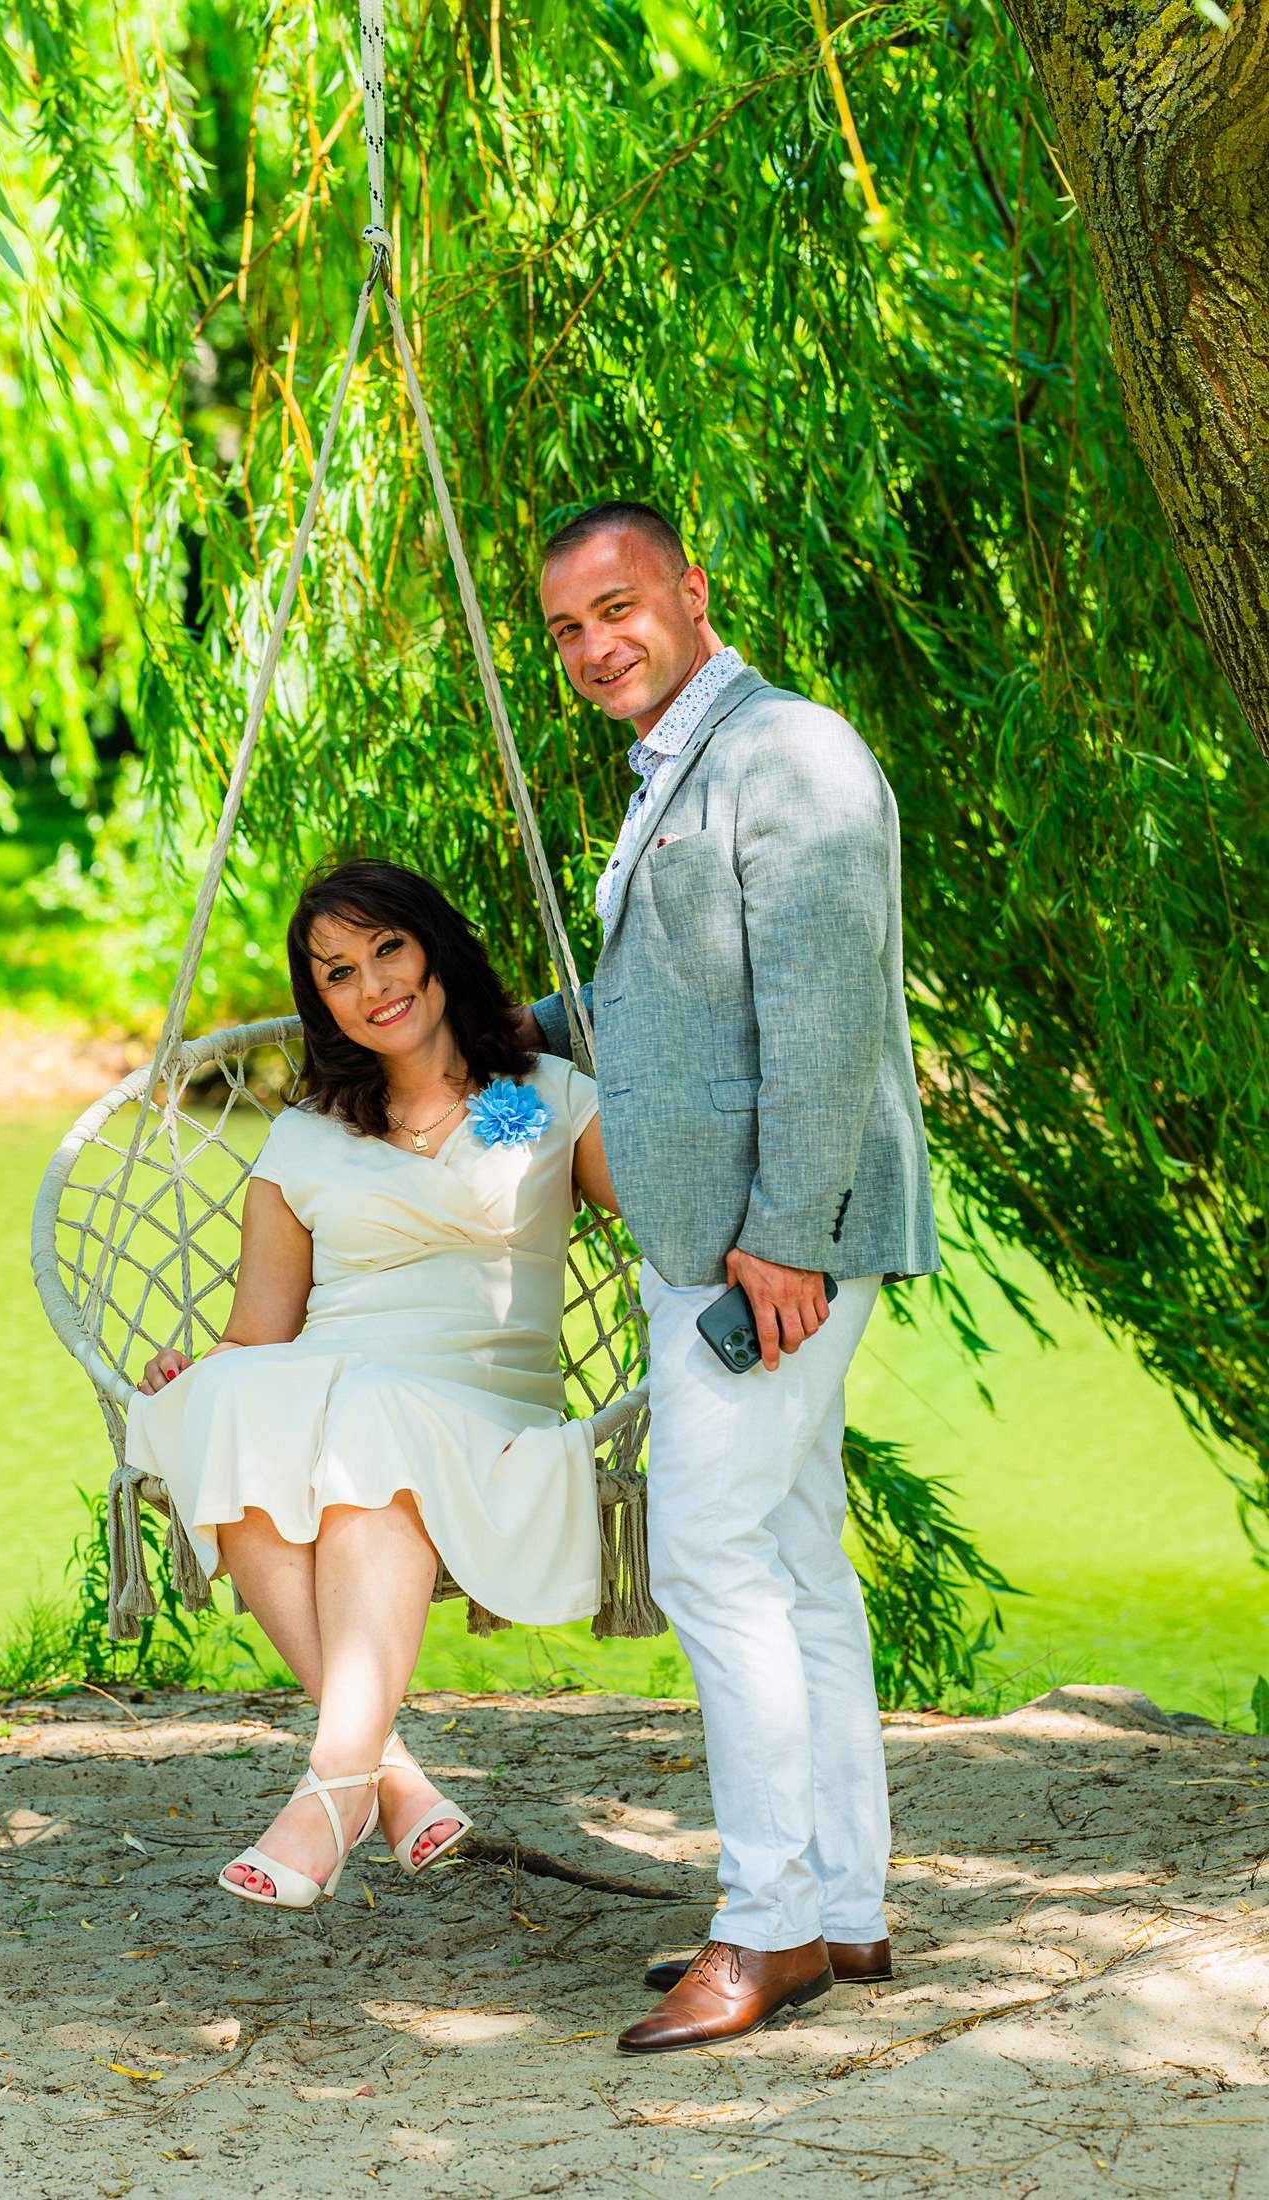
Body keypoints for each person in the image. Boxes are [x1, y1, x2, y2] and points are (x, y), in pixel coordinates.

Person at [525, 500, 939, 2053]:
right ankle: (845, 1905)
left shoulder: (791, 757)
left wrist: (786, 1237)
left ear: (691, 592)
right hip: (738, 1239)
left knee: (705, 1556)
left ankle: (764, 1928)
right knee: (795, 1557)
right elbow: (679, 998)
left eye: (618, 609)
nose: (594, 647)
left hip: (768, 1253)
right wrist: (506, 1030)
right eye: (566, 629)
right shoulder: (683, 764)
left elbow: (823, 1019)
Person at [128, 859, 617, 1911]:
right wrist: (195, 1373)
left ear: (435, 946)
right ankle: (377, 1777)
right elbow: (256, 1336)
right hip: (342, 1385)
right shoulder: (305, 1135)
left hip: (480, 1396)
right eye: (338, 972)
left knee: (369, 1414)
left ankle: (340, 1787)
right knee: (232, 1400)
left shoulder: (548, 1098)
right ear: (323, 1003)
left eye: (388, 948)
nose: (373, 984)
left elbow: (671, 1222)